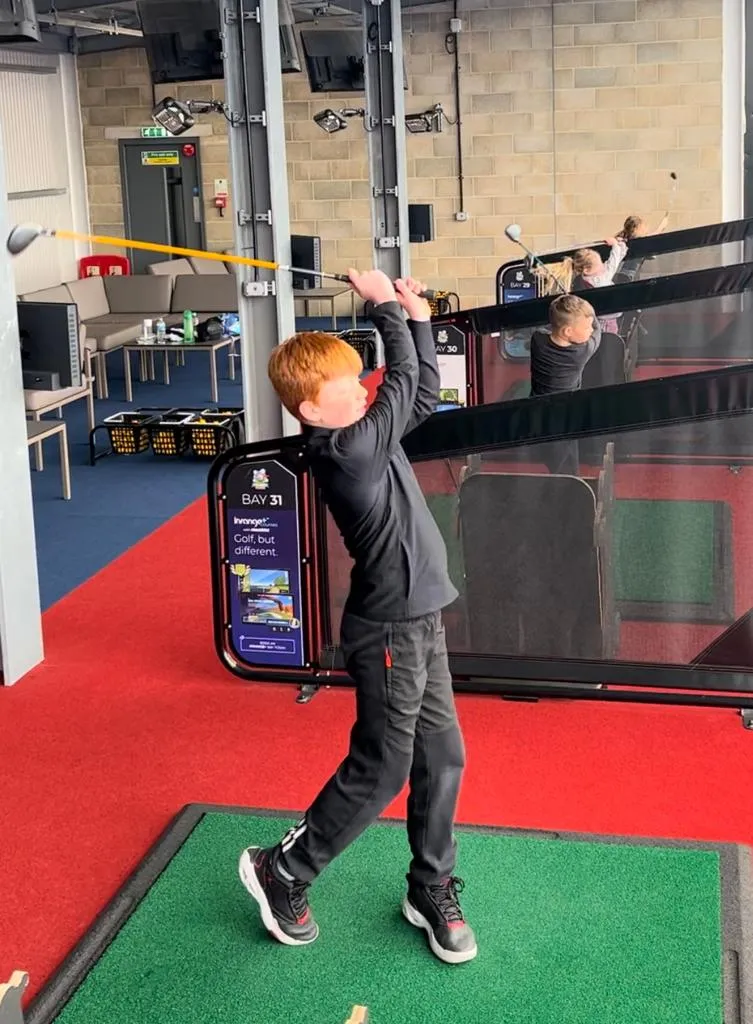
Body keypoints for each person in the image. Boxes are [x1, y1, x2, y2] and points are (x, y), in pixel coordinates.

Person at [238, 268, 477, 966]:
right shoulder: (348, 449)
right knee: (382, 766)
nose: (358, 386)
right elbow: (404, 384)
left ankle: (429, 886)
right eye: (343, 384)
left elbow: (419, 390)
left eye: (354, 377)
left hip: (419, 617)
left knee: (442, 756)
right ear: (311, 409)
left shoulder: (363, 435)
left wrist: (414, 316)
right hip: (390, 631)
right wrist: (383, 307)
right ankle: (283, 870)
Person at [530, 294, 601, 475]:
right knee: (566, 465)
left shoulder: (537, 339)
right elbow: (598, 329)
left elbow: (548, 328)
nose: (590, 331)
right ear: (567, 331)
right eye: (585, 327)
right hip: (564, 416)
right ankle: (565, 494)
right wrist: (589, 311)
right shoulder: (580, 352)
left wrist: (564, 310)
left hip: (537, 411)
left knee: (554, 456)